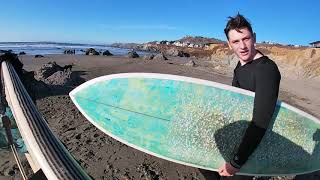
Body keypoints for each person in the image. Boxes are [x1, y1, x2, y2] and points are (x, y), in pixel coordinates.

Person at [215, 13, 281, 179]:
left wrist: (236, 163)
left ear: (254, 38)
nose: (242, 46)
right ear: (229, 45)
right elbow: (235, 102)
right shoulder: (240, 65)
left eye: (246, 38)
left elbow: (260, 122)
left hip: (254, 145)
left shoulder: (266, 70)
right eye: (236, 41)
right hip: (239, 138)